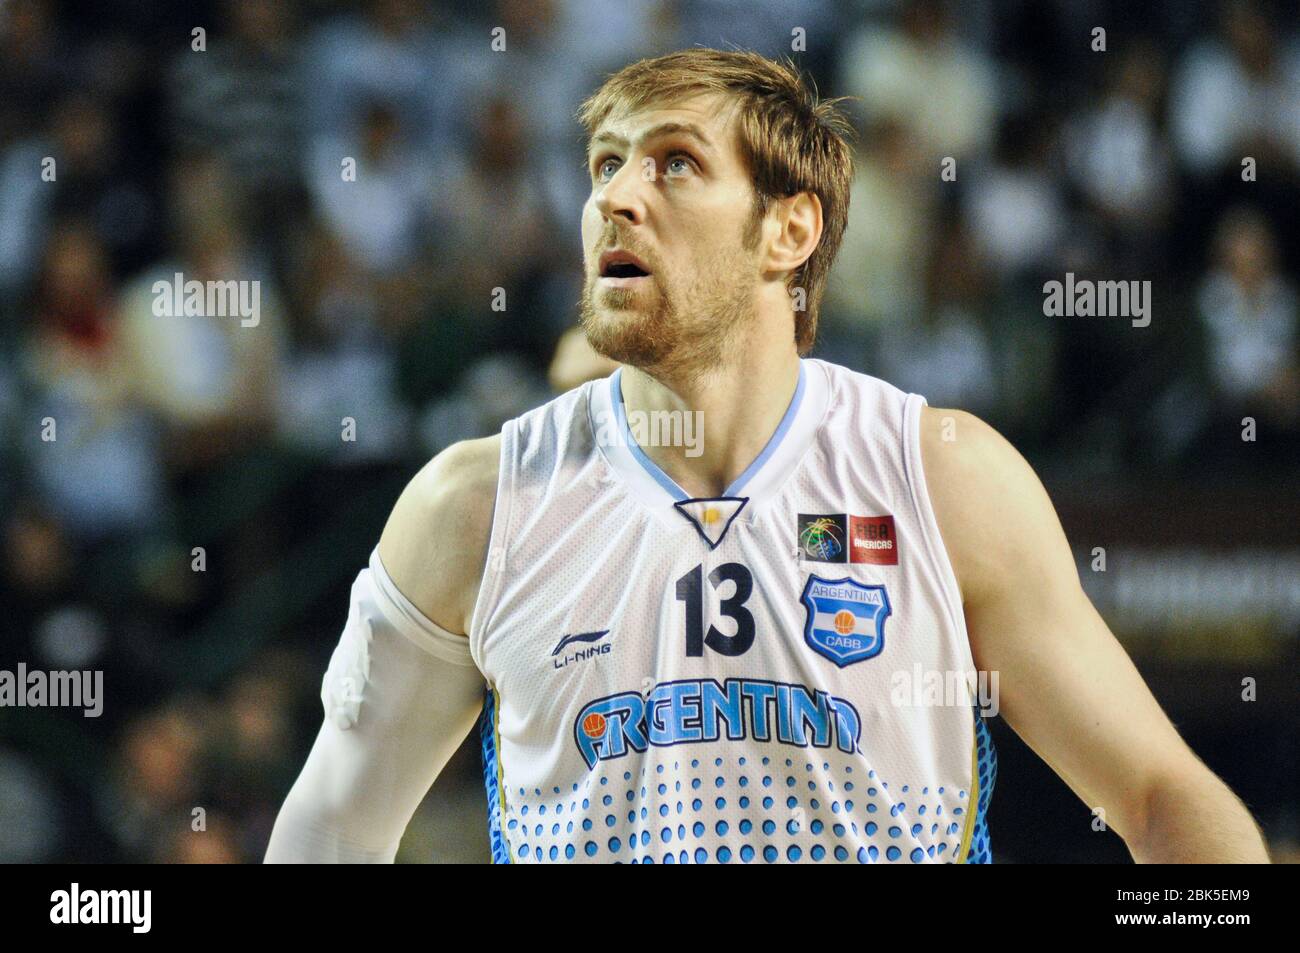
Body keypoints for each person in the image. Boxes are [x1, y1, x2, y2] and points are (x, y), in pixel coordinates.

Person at [265, 49, 1268, 864]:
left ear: (789, 228)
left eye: (672, 163)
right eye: (603, 165)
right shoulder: (474, 506)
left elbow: (1160, 796)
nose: (616, 195)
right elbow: (332, 828)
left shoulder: (943, 477)